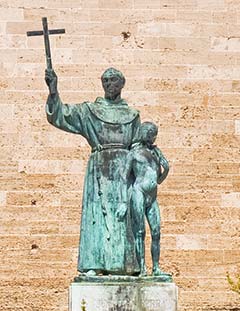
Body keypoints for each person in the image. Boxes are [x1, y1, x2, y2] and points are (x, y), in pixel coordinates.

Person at [45, 67, 140, 275]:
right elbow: (61, 116)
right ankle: (94, 264)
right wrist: (53, 91)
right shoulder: (89, 111)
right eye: (105, 81)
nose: (108, 84)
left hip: (124, 171)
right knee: (96, 217)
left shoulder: (133, 115)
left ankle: (124, 266)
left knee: (124, 218)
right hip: (99, 167)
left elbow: (138, 146)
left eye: (113, 80)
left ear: (122, 84)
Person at [123, 122, 169, 276]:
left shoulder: (156, 152)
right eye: (151, 133)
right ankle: (142, 267)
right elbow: (124, 178)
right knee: (140, 231)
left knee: (156, 232)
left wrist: (166, 169)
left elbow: (159, 180)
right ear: (144, 133)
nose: (153, 136)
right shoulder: (134, 152)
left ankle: (156, 268)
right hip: (139, 192)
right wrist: (123, 202)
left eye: (154, 133)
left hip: (152, 196)